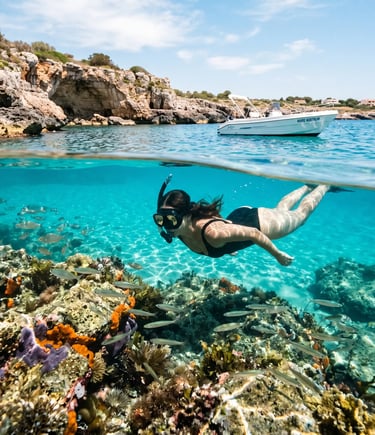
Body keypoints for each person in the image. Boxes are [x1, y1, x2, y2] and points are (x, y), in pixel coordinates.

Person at [153, 175, 331, 266]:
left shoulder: (213, 234)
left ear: (187, 215)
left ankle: (325, 184)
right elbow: (216, 223)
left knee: (301, 216)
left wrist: (278, 255)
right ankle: (307, 186)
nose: (166, 226)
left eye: (171, 220)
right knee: (281, 210)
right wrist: (227, 245)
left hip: (261, 224)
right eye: (160, 220)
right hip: (237, 218)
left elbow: (254, 233)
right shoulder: (181, 231)